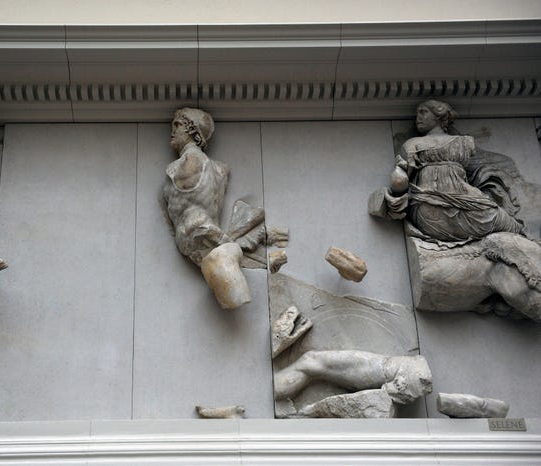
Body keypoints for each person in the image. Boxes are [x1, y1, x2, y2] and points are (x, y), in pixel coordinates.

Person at [387, 100, 523, 242]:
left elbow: (488, 163)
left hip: (466, 202)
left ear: (439, 116)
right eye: (417, 114)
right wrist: (398, 177)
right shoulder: (412, 144)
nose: (418, 118)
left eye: (423, 112)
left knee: (511, 225)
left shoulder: (463, 142)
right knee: (509, 225)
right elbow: (400, 182)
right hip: (430, 208)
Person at [162, 108, 251, 309]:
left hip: (202, 238)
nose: (173, 130)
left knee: (233, 296)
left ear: (193, 130)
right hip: (201, 243)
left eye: (178, 125)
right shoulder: (217, 168)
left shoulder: (189, 163)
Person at [273, 350, 432, 405]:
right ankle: (270, 393)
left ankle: (269, 393)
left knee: (311, 362)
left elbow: (401, 388)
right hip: (383, 368)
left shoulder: (418, 374)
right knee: (310, 362)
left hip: (381, 370)